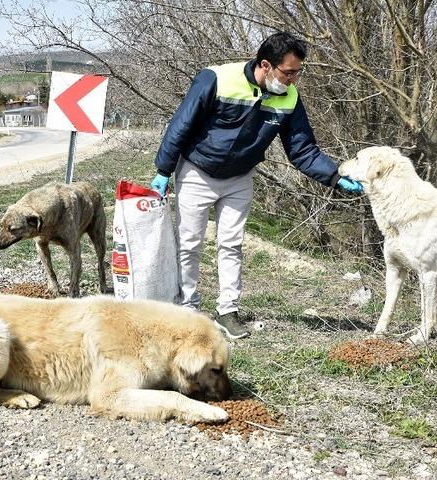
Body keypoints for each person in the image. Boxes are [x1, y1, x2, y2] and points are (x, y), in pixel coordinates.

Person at [150, 31, 363, 340]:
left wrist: (334, 177)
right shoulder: (216, 79)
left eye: (297, 72)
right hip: (198, 170)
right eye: (288, 72)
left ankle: (227, 311)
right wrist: (164, 170)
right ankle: (188, 309)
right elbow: (181, 124)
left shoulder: (289, 98)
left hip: (239, 176)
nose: (293, 80)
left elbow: (302, 149)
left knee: (232, 243)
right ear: (266, 64)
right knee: (189, 242)